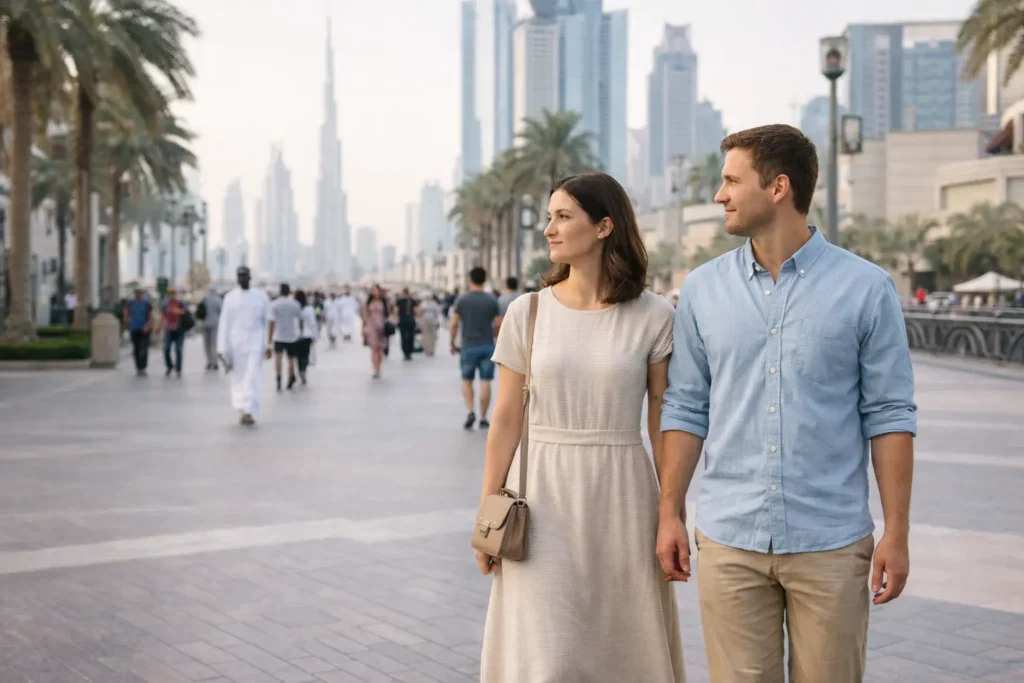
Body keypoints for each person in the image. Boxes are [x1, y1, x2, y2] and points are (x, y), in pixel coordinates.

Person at [658, 125, 916, 683]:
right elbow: (685, 407)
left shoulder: (867, 289)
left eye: (730, 180)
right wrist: (669, 512)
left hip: (830, 539)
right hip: (729, 536)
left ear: (778, 188)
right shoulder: (702, 290)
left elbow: (890, 415)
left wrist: (897, 532)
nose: (719, 195)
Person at [477, 172, 683, 682]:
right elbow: (505, 418)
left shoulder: (654, 315)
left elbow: (662, 422)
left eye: (563, 216)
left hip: (623, 497)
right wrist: (486, 517)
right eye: (549, 216)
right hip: (540, 497)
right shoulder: (526, 313)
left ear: (604, 226)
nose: (549, 228)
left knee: (621, 645)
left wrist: (670, 512)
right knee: (548, 652)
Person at [216, 266, 271, 426]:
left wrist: (268, 344)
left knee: (252, 376)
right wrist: (222, 348)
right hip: (236, 345)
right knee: (239, 377)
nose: (242, 278)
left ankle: (250, 410)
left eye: (245, 275)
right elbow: (224, 323)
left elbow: (267, 322)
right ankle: (242, 408)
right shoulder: (230, 298)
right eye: (239, 275)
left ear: (250, 277)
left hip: (256, 342)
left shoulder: (261, 296)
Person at [450, 267, 500, 430]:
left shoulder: (462, 300)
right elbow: (498, 323)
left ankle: (471, 411)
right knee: (486, 381)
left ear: (470, 280)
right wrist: (497, 339)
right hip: (487, 345)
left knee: (467, 380)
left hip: (468, 346)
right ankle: (484, 417)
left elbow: (454, 323)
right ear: (484, 280)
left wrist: (452, 342)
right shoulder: (492, 300)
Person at [269, 283, 302, 391]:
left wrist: (269, 338)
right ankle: (289, 379)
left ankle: (278, 377)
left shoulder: (275, 304)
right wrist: (300, 332)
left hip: (278, 336)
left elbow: (272, 322)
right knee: (291, 359)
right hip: (291, 335)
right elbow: (300, 319)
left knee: (278, 358)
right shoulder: (295, 304)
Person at [361, 284, 391, 378]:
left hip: (382, 327)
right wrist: (364, 327)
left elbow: (389, 313)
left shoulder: (384, 302)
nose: (374, 292)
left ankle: (379, 367)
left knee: (380, 349)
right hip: (371, 327)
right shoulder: (369, 302)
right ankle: (375, 369)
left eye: (376, 290)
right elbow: (365, 315)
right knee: (373, 348)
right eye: (373, 290)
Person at [123, 288, 153, 377]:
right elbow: (126, 313)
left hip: (144, 329)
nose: (138, 294)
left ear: (142, 294)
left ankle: (143, 366)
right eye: (137, 293)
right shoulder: (131, 303)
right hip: (134, 329)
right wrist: (127, 322)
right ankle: (138, 367)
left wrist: (149, 325)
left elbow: (150, 315)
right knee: (136, 349)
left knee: (143, 349)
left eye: (140, 293)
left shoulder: (146, 303)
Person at [158, 287, 188, 378]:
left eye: (173, 293)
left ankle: (178, 369)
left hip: (179, 330)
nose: (172, 295)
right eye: (170, 293)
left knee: (178, 350)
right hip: (169, 330)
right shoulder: (165, 305)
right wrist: (159, 327)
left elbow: (186, 312)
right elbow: (163, 315)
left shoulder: (180, 303)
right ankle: (169, 366)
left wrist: (178, 311)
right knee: (166, 348)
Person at [294, 289, 317, 385]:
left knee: (298, 356)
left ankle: (300, 370)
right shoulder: (309, 309)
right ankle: (303, 370)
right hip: (307, 335)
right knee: (305, 355)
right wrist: (315, 335)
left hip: (296, 336)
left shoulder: (294, 307)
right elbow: (312, 323)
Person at [200, 286, 223, 371]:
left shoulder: (205, 299)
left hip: (205, 324)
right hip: (215, 324)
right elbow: (221, 311)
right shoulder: (218, 300)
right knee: (214, 344)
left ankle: (209, 362)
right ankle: (215, 362)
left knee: (206, 344)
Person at [395, 287, 419, 360]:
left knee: (408, 337)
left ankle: (407, 352)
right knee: (406, 337)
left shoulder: (411, 301)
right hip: (406, 320)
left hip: (406, 321)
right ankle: (407, 352)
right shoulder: (401, 301)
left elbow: (416, 310)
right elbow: (417, 311)